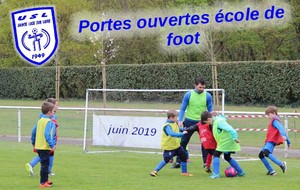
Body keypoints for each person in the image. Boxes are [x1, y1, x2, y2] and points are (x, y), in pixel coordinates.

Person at [172, 77, 213, 169]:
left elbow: (210, 110)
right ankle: (179, 162)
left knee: (205, 143)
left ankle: (206, 163)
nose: (202, 89)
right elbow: (183, 108)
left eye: (203, 87)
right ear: (195, 85)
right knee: (183, 142)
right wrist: (179, 120)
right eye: (200, 87)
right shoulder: (188, 95)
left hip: (202, 123)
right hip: (189, 121)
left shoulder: (208, 96)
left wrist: (211, 121)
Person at [150, 110, 193, 177]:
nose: (177, 119)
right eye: (176, 117)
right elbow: (171, 134)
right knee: (166, 159)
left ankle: (184, 172)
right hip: (169, 147)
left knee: (184, 156)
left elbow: (179, 129)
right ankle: (155, 171)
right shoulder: (167, 126)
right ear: (171, 117)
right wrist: (182, 134)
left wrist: (184, 129)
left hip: (176, 146)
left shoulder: (174, 122)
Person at [25, 98, 59, 176]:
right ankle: (35, 167)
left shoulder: (41, 117)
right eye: (56, 105)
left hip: (40, 141)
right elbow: (51, 131)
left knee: (45, 156)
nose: (57, 107)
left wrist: (33, 141)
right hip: (47, 141)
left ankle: (46, 171)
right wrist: (53, 142)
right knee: (46, 156)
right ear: (51, 107)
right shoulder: (52, 117)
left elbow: (34, 130)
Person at [208, 113, 245, 179]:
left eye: (207, 122)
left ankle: (216, 174)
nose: (208, 123)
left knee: (216, 155)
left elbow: (231, 130)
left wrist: (235, 138)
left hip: (227, 142)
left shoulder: (219, 121)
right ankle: (241, 172)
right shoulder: (217, 121)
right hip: (227, 142)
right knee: (227, 157)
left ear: (209, 119)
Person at [258, 106, 291, 176]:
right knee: (261, 155)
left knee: (266, 152)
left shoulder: (275, 120)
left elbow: (281, 128)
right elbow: (283, 131)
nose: (268, 117)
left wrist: (284, 136)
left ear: (273, 113)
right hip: (269, 140)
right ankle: (271, 171)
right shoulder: (275, 120)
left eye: (269, 115)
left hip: (271, 141)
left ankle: (281, 164)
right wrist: (288, 141)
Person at [31, 102, 56, 187]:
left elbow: (33, 132)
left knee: (45, 163)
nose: (54, 113)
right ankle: (42, 183)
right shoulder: (49, 122)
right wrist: (52, 145)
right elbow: (47, 134)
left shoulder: (40, 121)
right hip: (44, 147)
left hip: (39, 146)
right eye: (53, 111)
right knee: (45, 165)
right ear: (49, 112)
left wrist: (33, 143)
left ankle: (46, 180)